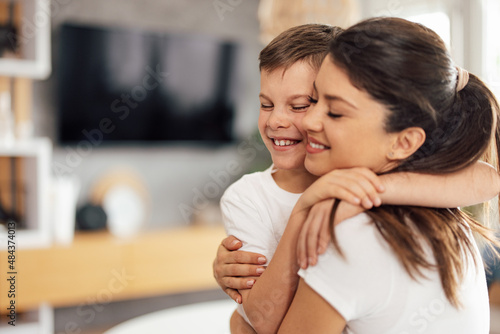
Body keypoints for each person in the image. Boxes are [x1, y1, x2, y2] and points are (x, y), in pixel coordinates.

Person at [213, 24, 500, 333]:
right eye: (265, 104)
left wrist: (239, 326)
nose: (301, 120)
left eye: (314, 105)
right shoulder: (441, 210)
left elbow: (489, 178)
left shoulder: (349, 231)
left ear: (404, 141)